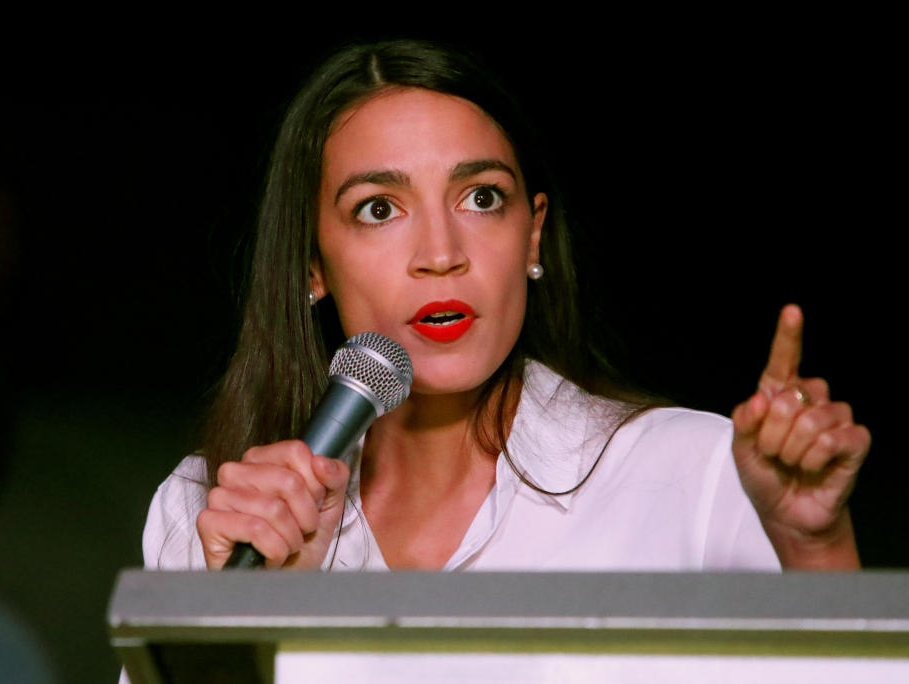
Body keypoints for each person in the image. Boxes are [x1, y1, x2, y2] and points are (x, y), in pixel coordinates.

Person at [141, 39, 870, 573]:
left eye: (481, 198)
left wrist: (814, 545)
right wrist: (242, 617)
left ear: (533, 234)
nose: (440, 251)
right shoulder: (211, 513)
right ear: (310, 264)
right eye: (378, 208)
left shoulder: (689, 470)